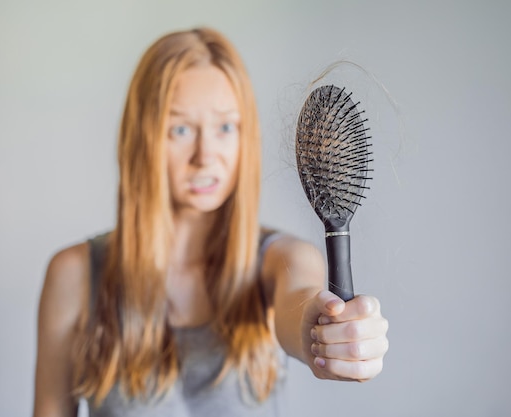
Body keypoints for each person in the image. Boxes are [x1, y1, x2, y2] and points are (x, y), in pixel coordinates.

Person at [33, 27, 389, 416]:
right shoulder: (74, 275)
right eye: (180, 129)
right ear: (141, 138)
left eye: (225, 127)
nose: (206, 156)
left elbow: (301, 307)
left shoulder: (282, 260)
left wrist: (328, 336)